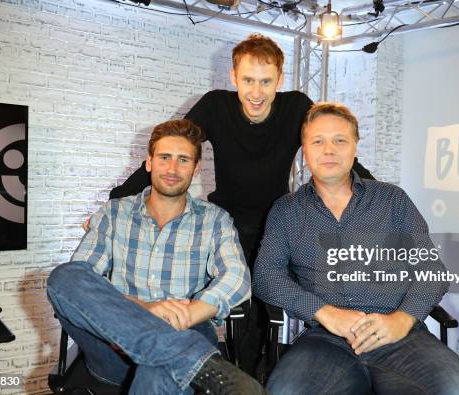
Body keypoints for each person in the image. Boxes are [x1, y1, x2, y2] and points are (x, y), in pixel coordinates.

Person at [104, 33, 375, 377]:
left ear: (280, 79)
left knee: (266, 306)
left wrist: (377, 198)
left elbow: (335, 150)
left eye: (266, 82)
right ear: (234, 77)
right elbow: (174, 149)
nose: (257, 92)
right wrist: (116, 201)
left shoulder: (295, 107)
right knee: (231, 303)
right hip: (226, 223)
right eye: (248, 80)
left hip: (278, 223)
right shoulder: (216, 105)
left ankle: (252, 375)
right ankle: (224, 371)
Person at [253, 103, 459, 395]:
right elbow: (265, 276)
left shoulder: (392, 201)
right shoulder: (287, 210)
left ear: (355, 148)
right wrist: (325, 313)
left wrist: (402, 319)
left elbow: (431, 271)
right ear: (305, 150)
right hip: (326, 340)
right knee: (285, 391)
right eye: (318, 141)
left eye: (340, 140)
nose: (329, 149)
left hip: (401, 337)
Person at [47, 119, 266, 395]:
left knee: (160, 370)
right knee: (64, 277)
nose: (173, 169)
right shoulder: (114, 213)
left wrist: (186, 316)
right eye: (164, 158)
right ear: (149, 163)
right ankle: (194, 361)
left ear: (196, 169)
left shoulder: (215, 220)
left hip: (187, 329)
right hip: (113, 347)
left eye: (183, 160)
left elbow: (238, 278)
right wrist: (142, 311)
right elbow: (82, 276)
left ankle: (182, 356)